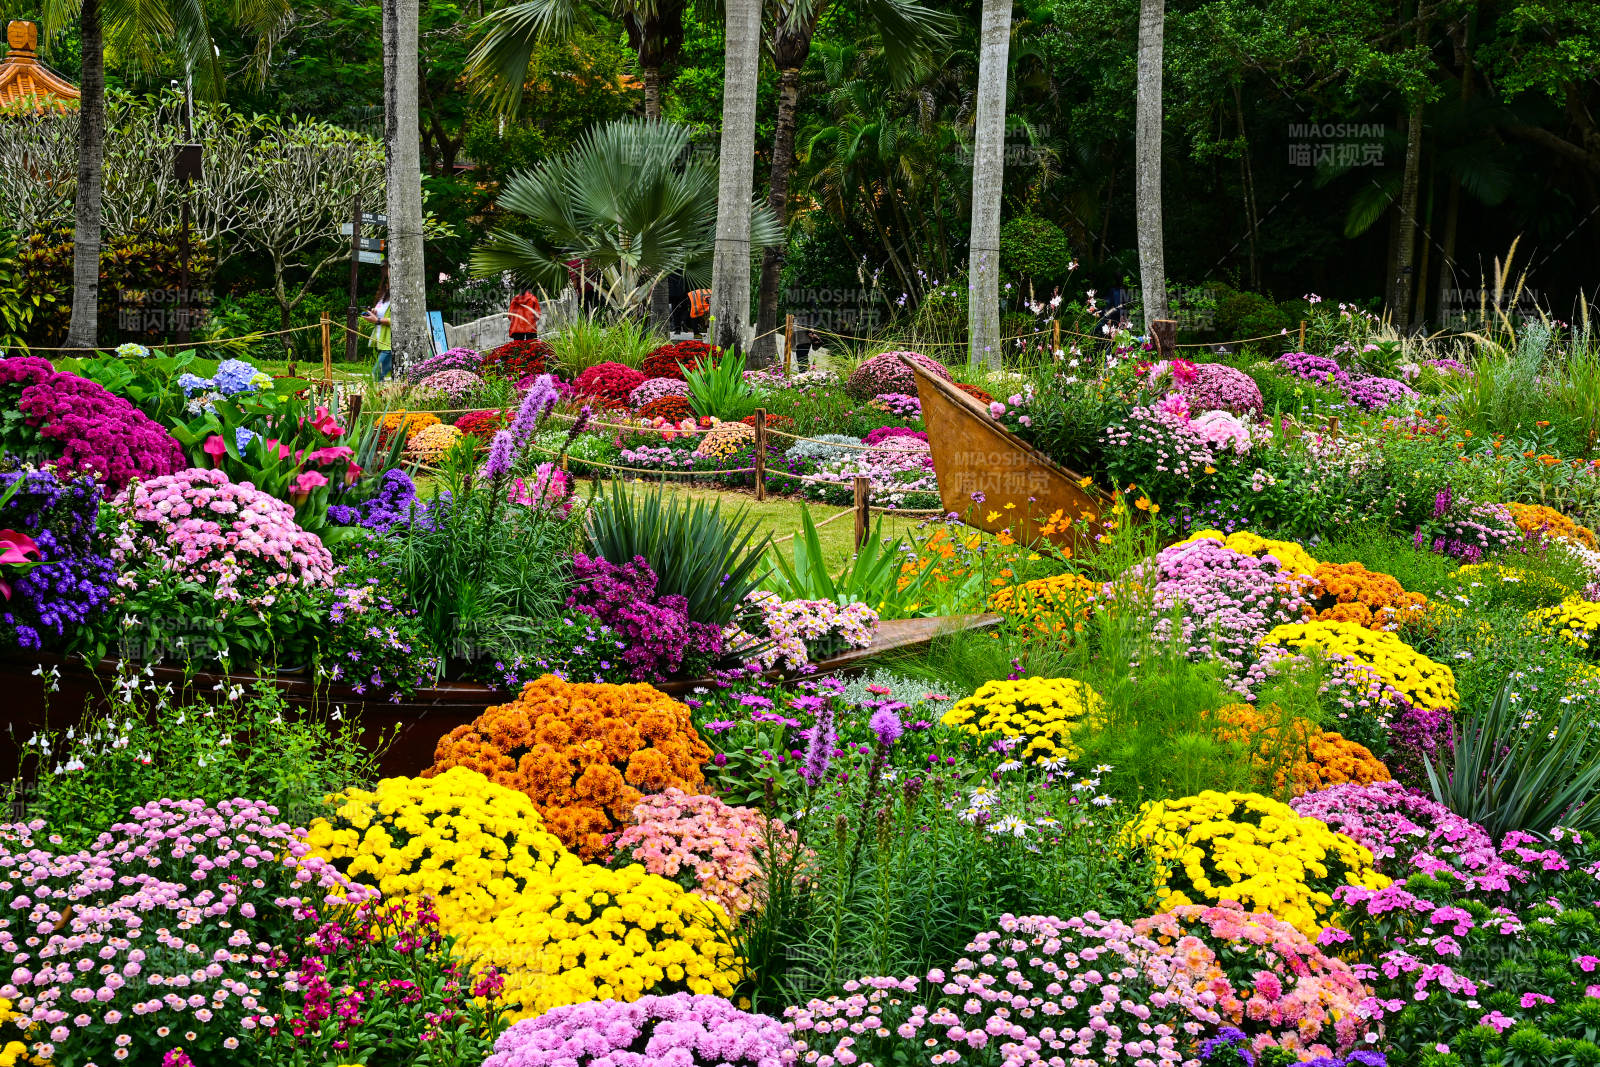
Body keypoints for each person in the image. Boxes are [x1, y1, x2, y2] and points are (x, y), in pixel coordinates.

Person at [363, 271, 394, 381]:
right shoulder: (384, 298)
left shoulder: (397, 298)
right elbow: (379, 313)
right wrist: (373, 313)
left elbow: (398, 320)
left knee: (375, 376)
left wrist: (378, 320)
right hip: (383, 342)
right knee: (379, 377)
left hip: (390, 344)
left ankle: (376, 396)